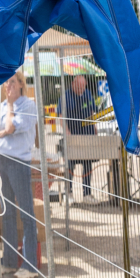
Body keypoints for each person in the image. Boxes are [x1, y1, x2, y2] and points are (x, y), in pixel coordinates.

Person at [0, 70, 39, 278]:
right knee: (7, 212)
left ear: (20, 84)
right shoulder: (0, 107)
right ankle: (9, 262)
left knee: (26, 213)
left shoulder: (27, 106)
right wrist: (4, 132)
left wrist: (10, 107)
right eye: (5, 82)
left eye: (11, 82)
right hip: (1, 159)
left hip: (19, 162)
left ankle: (30, 265)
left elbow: (11, 127)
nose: (7, 86)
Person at [60, 75, 99, 205]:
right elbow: (61, 115)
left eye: (83, 87)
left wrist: (95, 127)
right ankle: (68, 193)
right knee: (70, 166)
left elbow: (93, 112)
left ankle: (87, 194)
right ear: (73, 84)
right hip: (72, 136)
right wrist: (66, 132)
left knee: (87, 165)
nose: (81, 89)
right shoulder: (66, 97)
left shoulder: (87, 94)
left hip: (87, 136)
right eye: (79, 86)